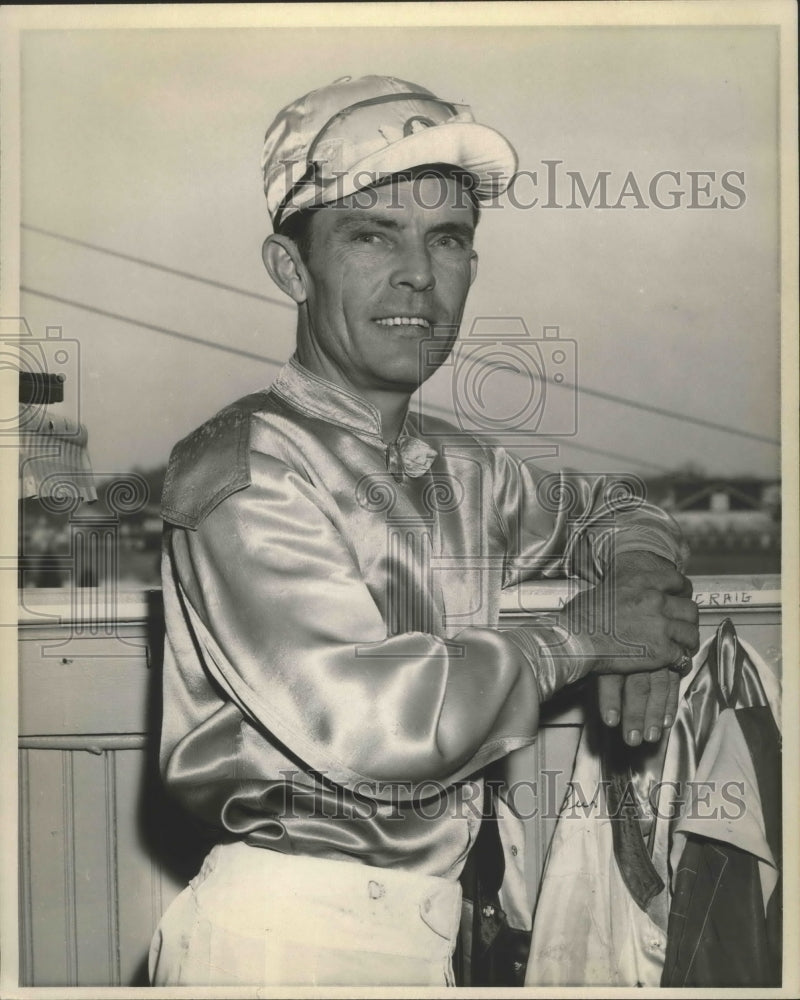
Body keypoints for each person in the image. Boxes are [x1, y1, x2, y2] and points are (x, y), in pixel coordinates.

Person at [149, 74, 700, 987]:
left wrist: (637, 590)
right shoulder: (243, 466)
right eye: (371, 234)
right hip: (291, 935)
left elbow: (618, 508)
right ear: (292, 269)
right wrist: (585, 638)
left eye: (447, 240)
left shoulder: (462, 465)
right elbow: (371, 725)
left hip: (434, 931)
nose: (418, 274)